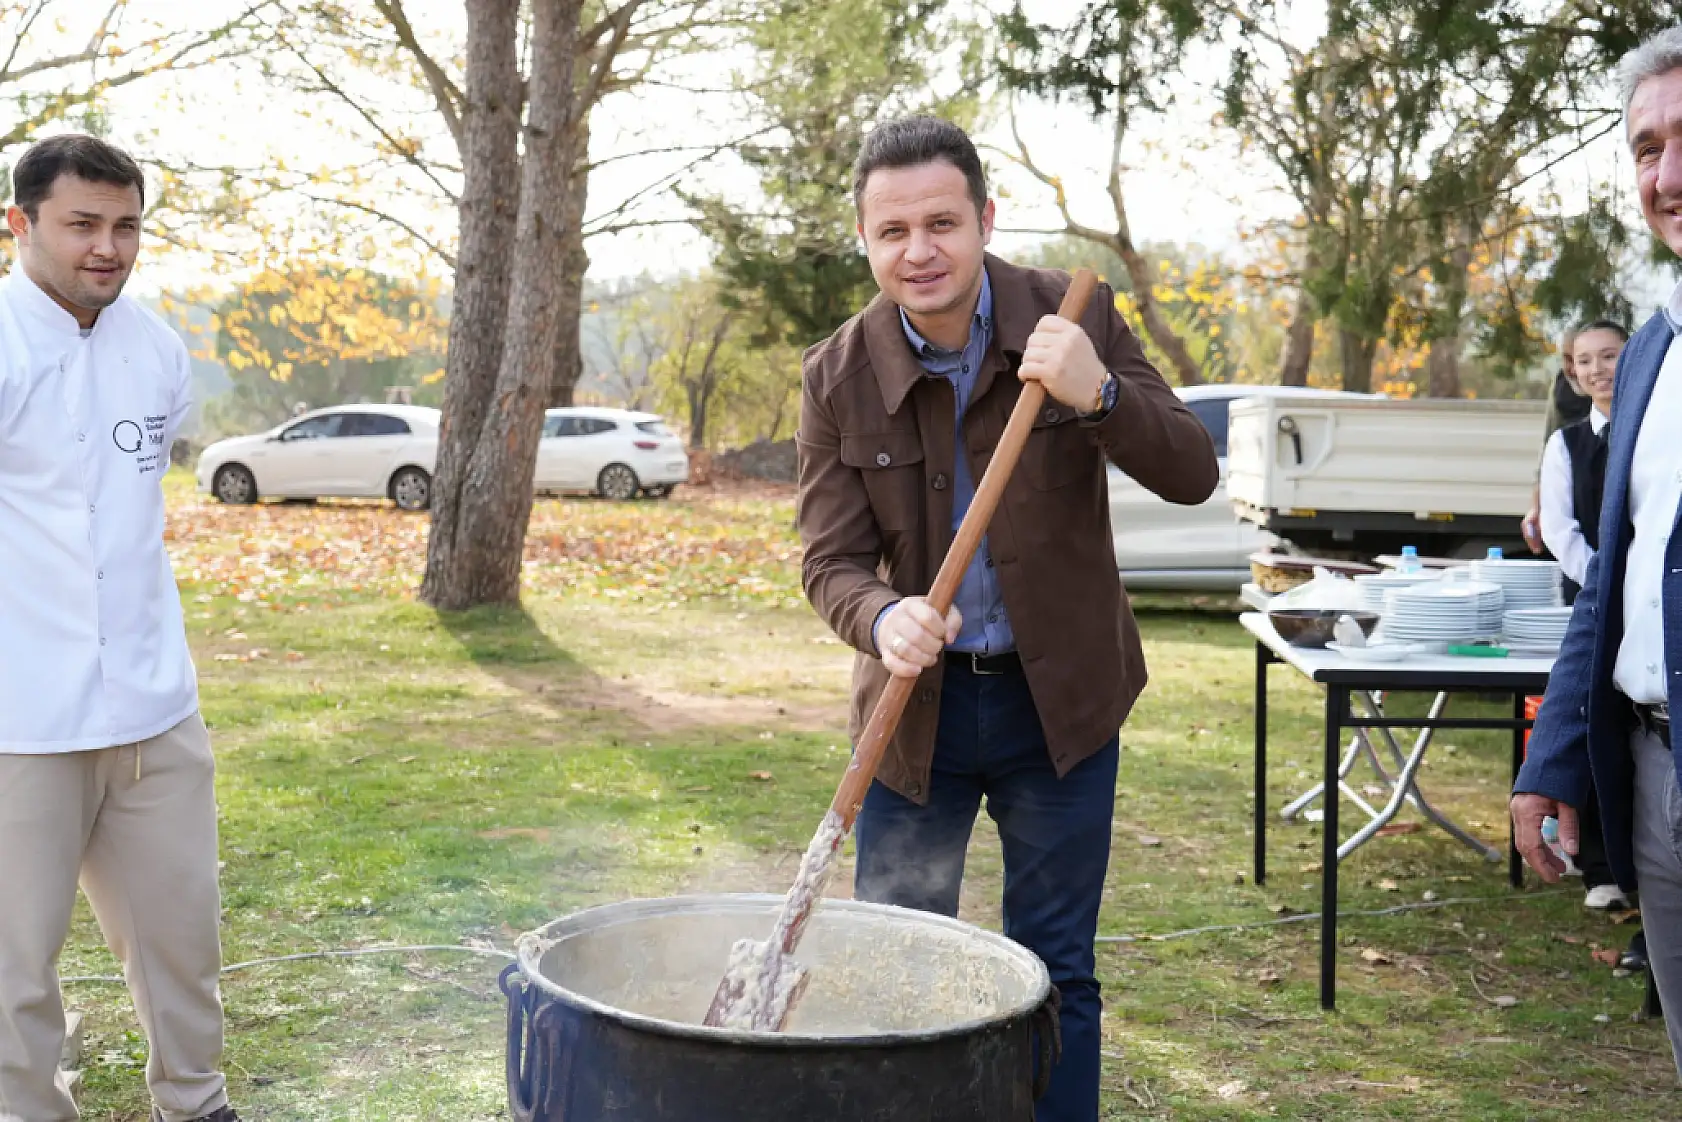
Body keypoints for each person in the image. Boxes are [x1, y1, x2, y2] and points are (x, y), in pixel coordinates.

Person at [796, 117, 1218, 1119]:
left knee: (1052, 975)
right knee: (896, 980)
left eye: (941, 221)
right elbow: (830, 561)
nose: (919, 250)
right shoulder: (836, 374)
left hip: (1058, 710)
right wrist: (881, 613)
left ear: (984, 219)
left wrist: (1100, 392)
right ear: (864, 239)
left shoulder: (1071, 317)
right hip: (917, 721)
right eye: (891, 230)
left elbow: (1192, 470)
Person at [0, 135, 239, 1122]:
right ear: (20, 225)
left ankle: (197, 1104)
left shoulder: (157, 346)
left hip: (154, 710)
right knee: (12, 975)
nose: (109, 247)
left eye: (127, 225)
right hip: (21, 719)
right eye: (83, 225)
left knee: (183, 943)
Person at [1512, 26, 1682, 1076]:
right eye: (1644, 147)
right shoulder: (1655, 347)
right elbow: (1613, 584)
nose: (1666, 175)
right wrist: (1554, 758)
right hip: (1653, 785)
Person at [1538, 322, 1642, 925]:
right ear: (1572, 374)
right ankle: (1601, 868)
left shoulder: (1657, 429)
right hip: (1597, 608)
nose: (1599, 369)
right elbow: (1559, 528)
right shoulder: (1567, 445)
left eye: (1610, 356)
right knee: (1594, 724)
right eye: (1586, 360)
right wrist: (1609, 585)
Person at [1521, 328, 1594, 554]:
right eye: (1567, 359)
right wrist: (1537, 506)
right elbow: (1550, 443)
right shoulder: (1563, 386)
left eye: (1580, 360)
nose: (1572, 368)